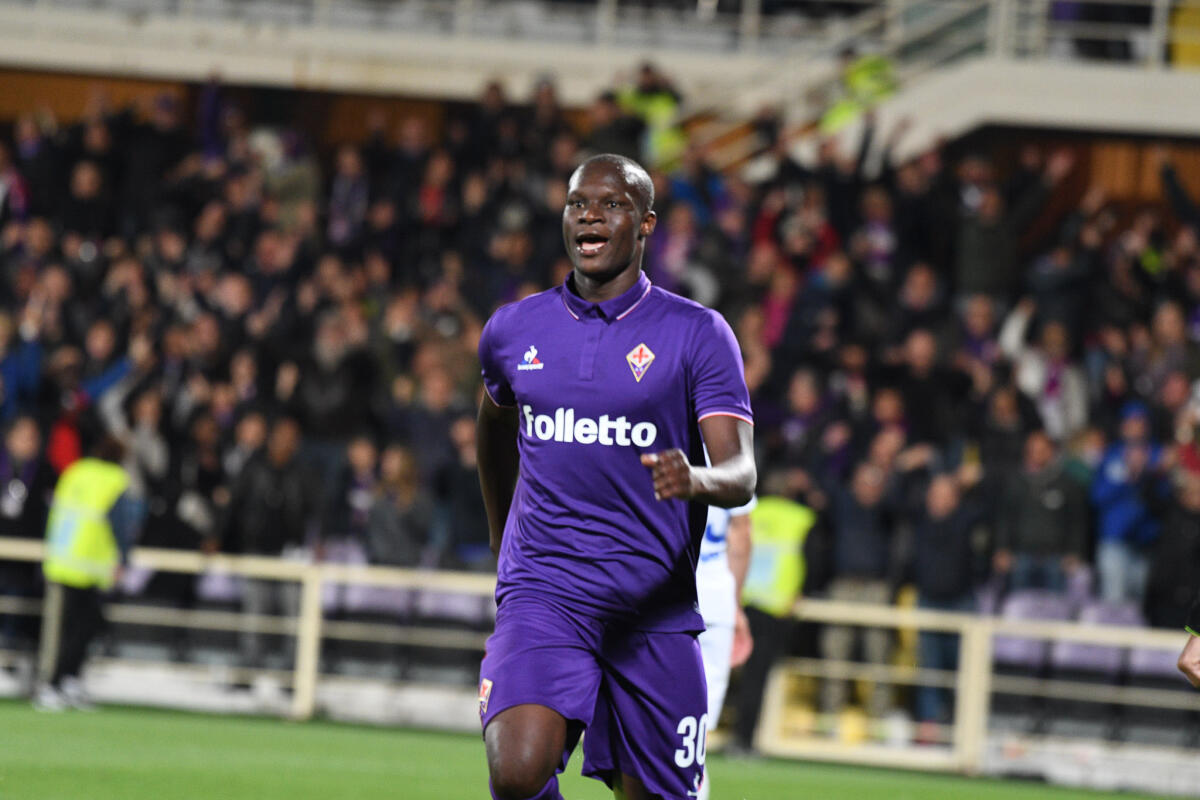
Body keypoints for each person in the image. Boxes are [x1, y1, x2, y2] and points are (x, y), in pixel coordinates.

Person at [475, 154, 756, 800]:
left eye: (611, 204)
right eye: (578, 204)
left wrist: (698, 480)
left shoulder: (698, 334)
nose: (590, 215)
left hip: (650, 612)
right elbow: (492, 427)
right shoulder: (515, 330)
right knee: (516, 772)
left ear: (647, 223)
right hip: (546, 593)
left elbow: (741, 472)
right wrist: (501, 533)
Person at [36, 436, 142, 711]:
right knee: (82, 627)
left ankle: (65, 681)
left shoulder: (76, 471)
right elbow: (120, 524)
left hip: (62, 556)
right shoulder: (114, 479)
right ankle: (57, 682)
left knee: (74, 625)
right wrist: (124, 559)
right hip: (89, 562)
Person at [694, 499, 754, 800]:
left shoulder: (665, 454)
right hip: (717, 602)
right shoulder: (731, 461)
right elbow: (741, 537)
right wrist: (736, 606)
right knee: (697, 735)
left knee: (655, 721)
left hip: (670, 600)